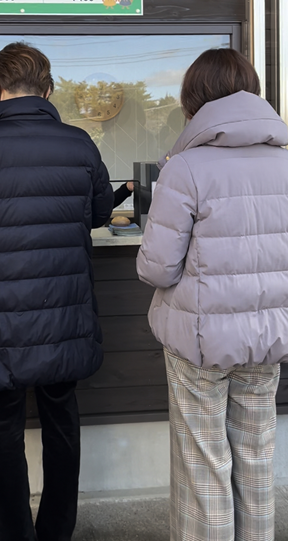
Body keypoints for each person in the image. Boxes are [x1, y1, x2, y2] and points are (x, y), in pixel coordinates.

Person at [0, 42, 114, 541]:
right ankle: (56, 532)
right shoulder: (80, 144)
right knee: (61, 421)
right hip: (63, 316)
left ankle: (16, 534)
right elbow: (100, 213)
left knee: (4, 428)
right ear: (49, 90)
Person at [136, 48, 288, 541]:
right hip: (267, 337)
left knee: (203, 464)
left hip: (199, 341)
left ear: (194, 100)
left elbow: (158, 268)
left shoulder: (185, 167)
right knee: (256, 457)